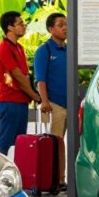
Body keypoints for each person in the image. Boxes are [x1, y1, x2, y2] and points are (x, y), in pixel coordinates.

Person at [0, 11, 40, 155]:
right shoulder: (4, 48)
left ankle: (19, 174)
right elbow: (18, 76)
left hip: (21, 101)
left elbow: (24, 76)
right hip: (10, 100)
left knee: (20, 141)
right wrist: (34, 95)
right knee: (4, 143)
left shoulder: (19, 48)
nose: (24, 26)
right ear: (10, 27)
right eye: (20, 23)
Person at [34, 13, 68, 187]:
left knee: (65, 144)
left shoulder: (70, 50)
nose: (65, 27)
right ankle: (54, 179)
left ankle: (62, 178)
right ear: (50, 29)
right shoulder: (44, 51)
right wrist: (45, 101)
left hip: (71, 104)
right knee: (56, 143)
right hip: (54, 105)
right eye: (60, 24)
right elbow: (41, 79)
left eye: (66, 24)